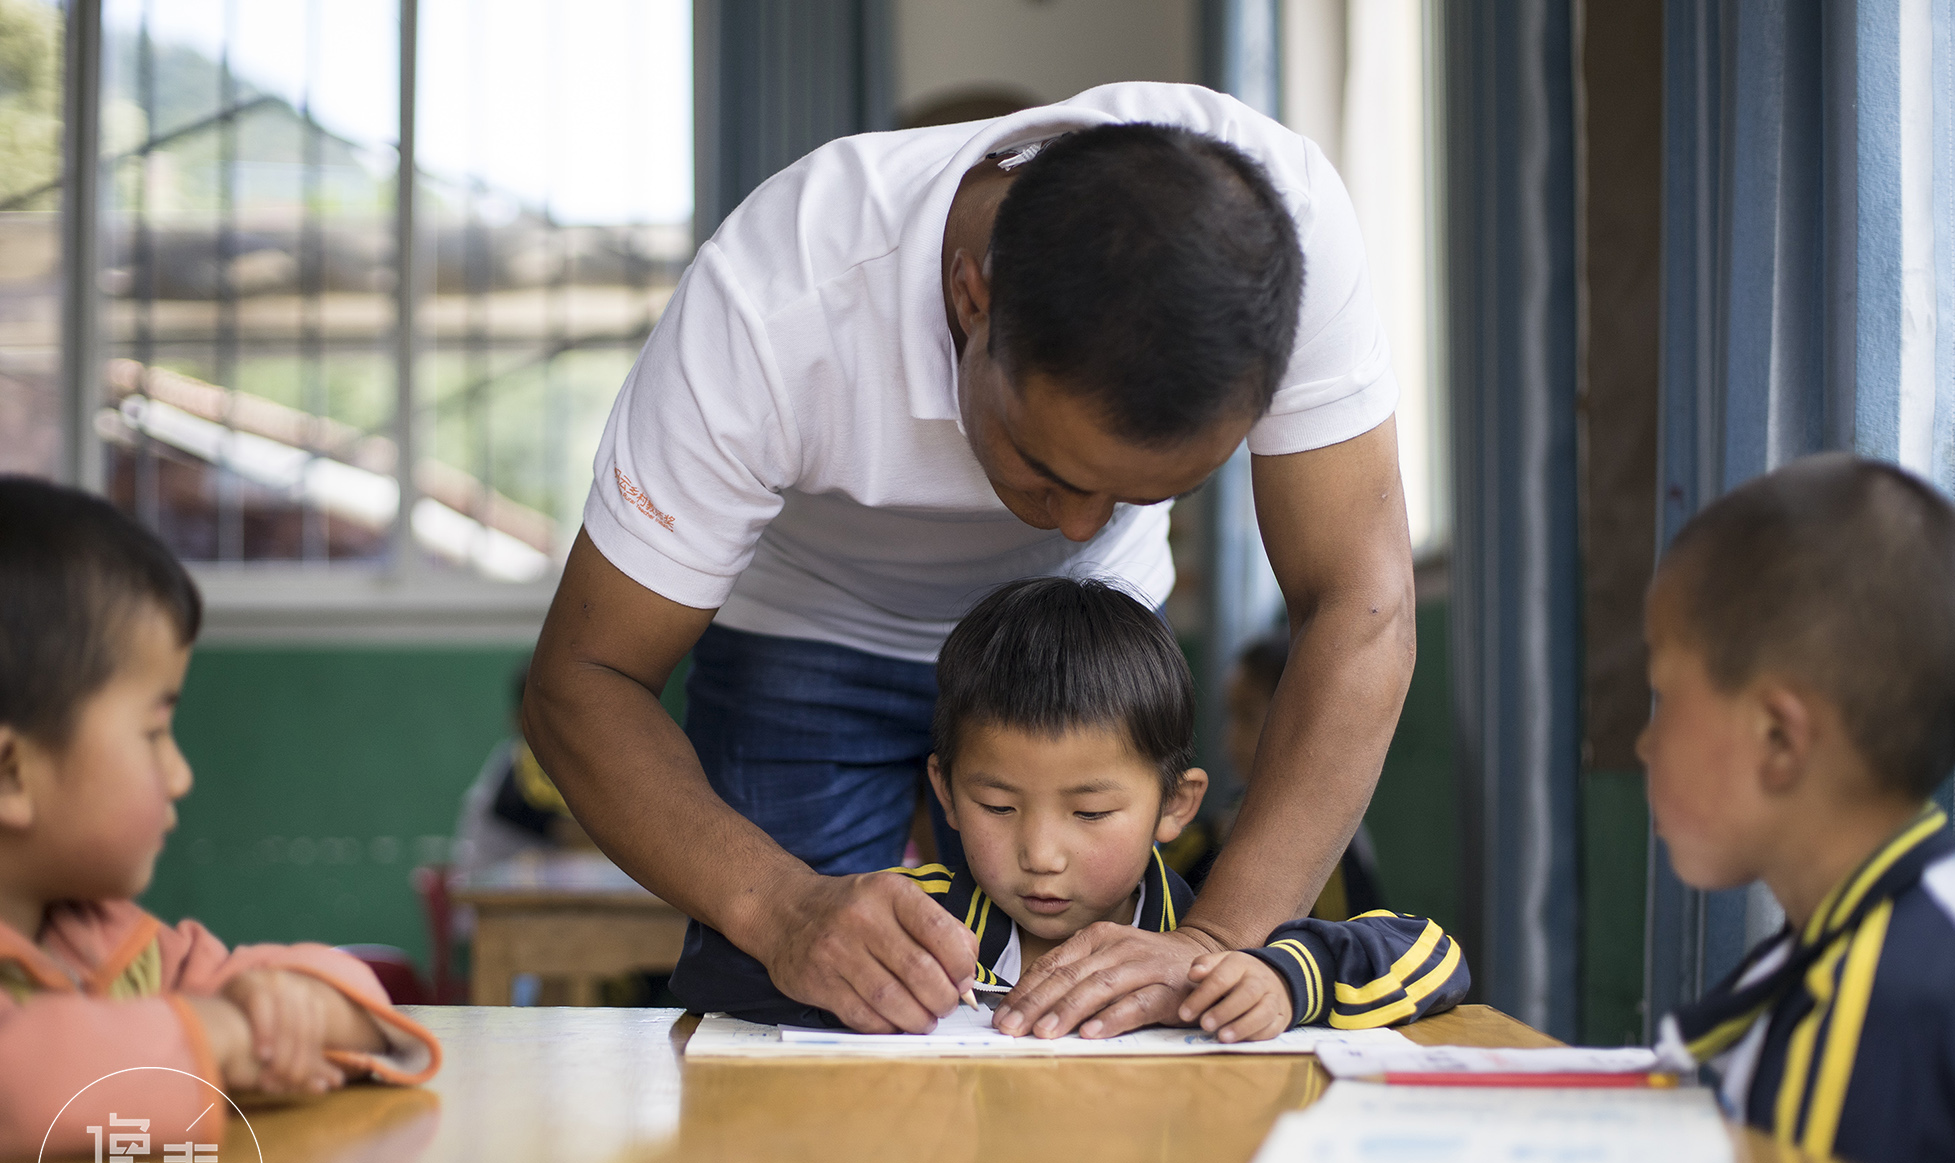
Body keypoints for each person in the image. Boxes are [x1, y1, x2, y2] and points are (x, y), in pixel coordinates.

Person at [527, 85, 1417, 1041]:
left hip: (1080, 634)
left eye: (1141, 493)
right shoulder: (772, 303)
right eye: (1047, 466)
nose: (1078, 528)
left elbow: (1361, 603)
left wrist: (1218, 940)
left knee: (1125, 1032)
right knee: (811, 1020)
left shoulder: (1283, 246)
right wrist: (781, 910)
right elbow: (584, 677)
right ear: (970, 297)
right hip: (808, 630)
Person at [671, 577, 1463, 1039]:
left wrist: (1286, 980)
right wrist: (843, 965)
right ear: (943, 789)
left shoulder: (1209, 942)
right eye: (997, 804)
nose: (1041, 853)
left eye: (1090, 814)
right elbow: (709, 966)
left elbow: (1434, 956)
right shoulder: (916, 922)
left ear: (1174, 805)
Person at [1639, 457, 1955, 1163]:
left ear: (1778, 738)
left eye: (1661, 695)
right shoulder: (1905, 932)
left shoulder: (1878, 997)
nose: (1645, 743)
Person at [0, 477, 441, 1160]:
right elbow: (22, 1080)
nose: (180, 774)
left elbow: (352, 988)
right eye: (153, 733)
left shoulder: (113, 940)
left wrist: (290, 1006)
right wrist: (223, 1035)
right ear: (11, 772)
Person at [1164, 629, 1386, 919]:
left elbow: (1344, 952)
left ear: (1302, 721)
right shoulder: (1209, 833)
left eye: (1248, 716)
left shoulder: (1330, 856)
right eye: (1231, 715)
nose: (1230, 737)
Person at [454, 663, 595, 873]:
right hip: (491, 898)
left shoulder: (558, 765)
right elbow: (570, 835)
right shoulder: (517, 768)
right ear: (519, 720)